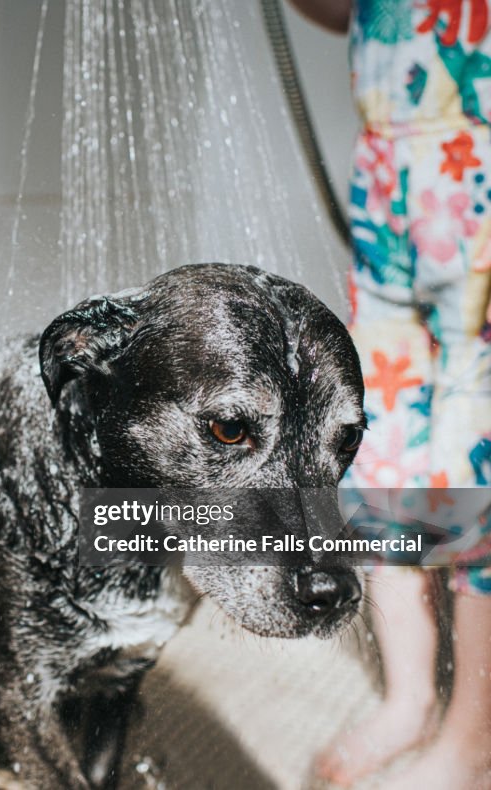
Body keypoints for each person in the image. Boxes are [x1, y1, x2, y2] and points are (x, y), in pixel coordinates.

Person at [287, 1, 491, 788]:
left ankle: (473, 737)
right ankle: (411, 699)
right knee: (379, 439)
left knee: (474, 451)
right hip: (390, 184)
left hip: (474, 174)